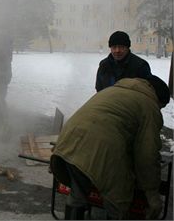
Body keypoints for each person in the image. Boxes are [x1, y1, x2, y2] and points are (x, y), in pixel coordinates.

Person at [50, 76, 170, 220]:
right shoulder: (149, 105)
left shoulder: (112, 90)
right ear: (158, 99)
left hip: (68, 140)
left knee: (77, 193)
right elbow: (147, 154)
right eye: (161, 107)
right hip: (102, 149)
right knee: (118, 200)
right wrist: (152, 194)